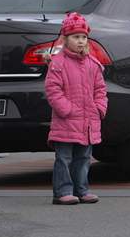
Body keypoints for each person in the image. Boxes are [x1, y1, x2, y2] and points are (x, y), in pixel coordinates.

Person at [44, 12, 107, 205]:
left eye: (83, 37)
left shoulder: (92, 64)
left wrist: (99, 108)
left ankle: (82, 189)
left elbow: (100, 89)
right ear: (65, 39)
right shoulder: (58, 63)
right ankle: (62, 191)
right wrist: (66, 109)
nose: (80, 41)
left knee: (83, 158)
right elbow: (53, 89)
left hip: (88, 122)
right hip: (67, 121)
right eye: (75, 37)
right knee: (64, 158)